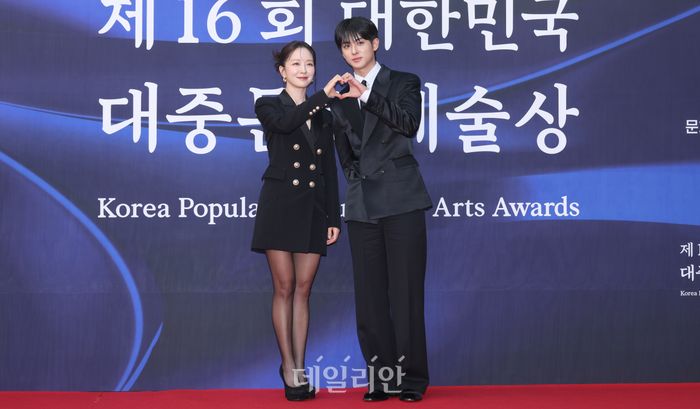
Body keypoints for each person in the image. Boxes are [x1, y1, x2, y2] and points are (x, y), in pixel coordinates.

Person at [330, 17, 433, 402]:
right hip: (362, 204)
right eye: (346, 46)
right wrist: (356, 179)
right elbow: (344, 152)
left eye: (360, 42)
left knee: (406, 294)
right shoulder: (339, 95)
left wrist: (367, 95)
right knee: (370, 299)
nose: (353, 50)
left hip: (402, 199)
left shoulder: (404, 82)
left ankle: (413, 380)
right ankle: (383, 378)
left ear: (375, 43)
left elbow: (408, 124)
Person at [251, 40, 343, 401]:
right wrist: (322, 97)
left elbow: (328, 169)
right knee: (285, 286)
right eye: (296, 64)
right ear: (282, 71)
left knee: (304, 289)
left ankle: (300, 366)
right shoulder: (268, 104)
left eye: (309, 64)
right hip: (279, 205)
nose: (304, 69)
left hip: (313, 208)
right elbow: (286, 124)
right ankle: (288, 366)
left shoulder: (324, 114)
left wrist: (333, 215)